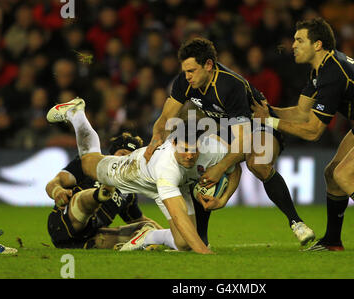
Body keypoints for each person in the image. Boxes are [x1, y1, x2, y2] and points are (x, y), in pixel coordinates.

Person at [251, 18, 354, 252]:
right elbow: (301, 113)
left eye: (299, 40)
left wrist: (268, 121)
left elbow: (312, 131)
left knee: (344, 174)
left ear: (317, 44)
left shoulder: (333, 73)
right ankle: (332, 241)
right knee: (332, 174)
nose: (293, 45)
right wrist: (268, 111)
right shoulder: (319, 71)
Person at [143, 37, 315, 247]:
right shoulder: (184, 82)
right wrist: (154, 142)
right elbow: (165, 119)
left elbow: (243, 141)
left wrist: (221, 167)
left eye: (192, 70)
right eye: (185, 71)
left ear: (208, 65)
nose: (187, 76)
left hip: (260, 124)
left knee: (257, 163)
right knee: (197, 159)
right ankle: (202, 239)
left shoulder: (229, 86)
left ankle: (296, 222)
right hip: (226, 126)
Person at [46, 97, 241, 254]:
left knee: (182, 244)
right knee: (88, 162)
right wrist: (204, 252)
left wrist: (223, 200)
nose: (190, 155)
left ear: (202, 143)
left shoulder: (213, 149)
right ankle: (76, 113)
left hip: (176, 184)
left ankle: (147, 237)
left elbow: (234, 168)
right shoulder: (166, 166)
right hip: (134, 170)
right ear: (174, 144)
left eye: (194, 150)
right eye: (185, 149)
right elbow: (177, 215)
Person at [46, 131, 163, 249]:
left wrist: (169, 235)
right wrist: (58, 191)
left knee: (147, 227)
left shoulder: (129, 194)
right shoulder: (89, 165)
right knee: (81, 199)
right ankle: (100, 194)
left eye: (130, 158)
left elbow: (139, 219)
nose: (124, 160)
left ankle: (128, 245)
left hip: (88, 238)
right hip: (63, 224)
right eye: (122, 154)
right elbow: (55, 182)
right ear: (112, 153)